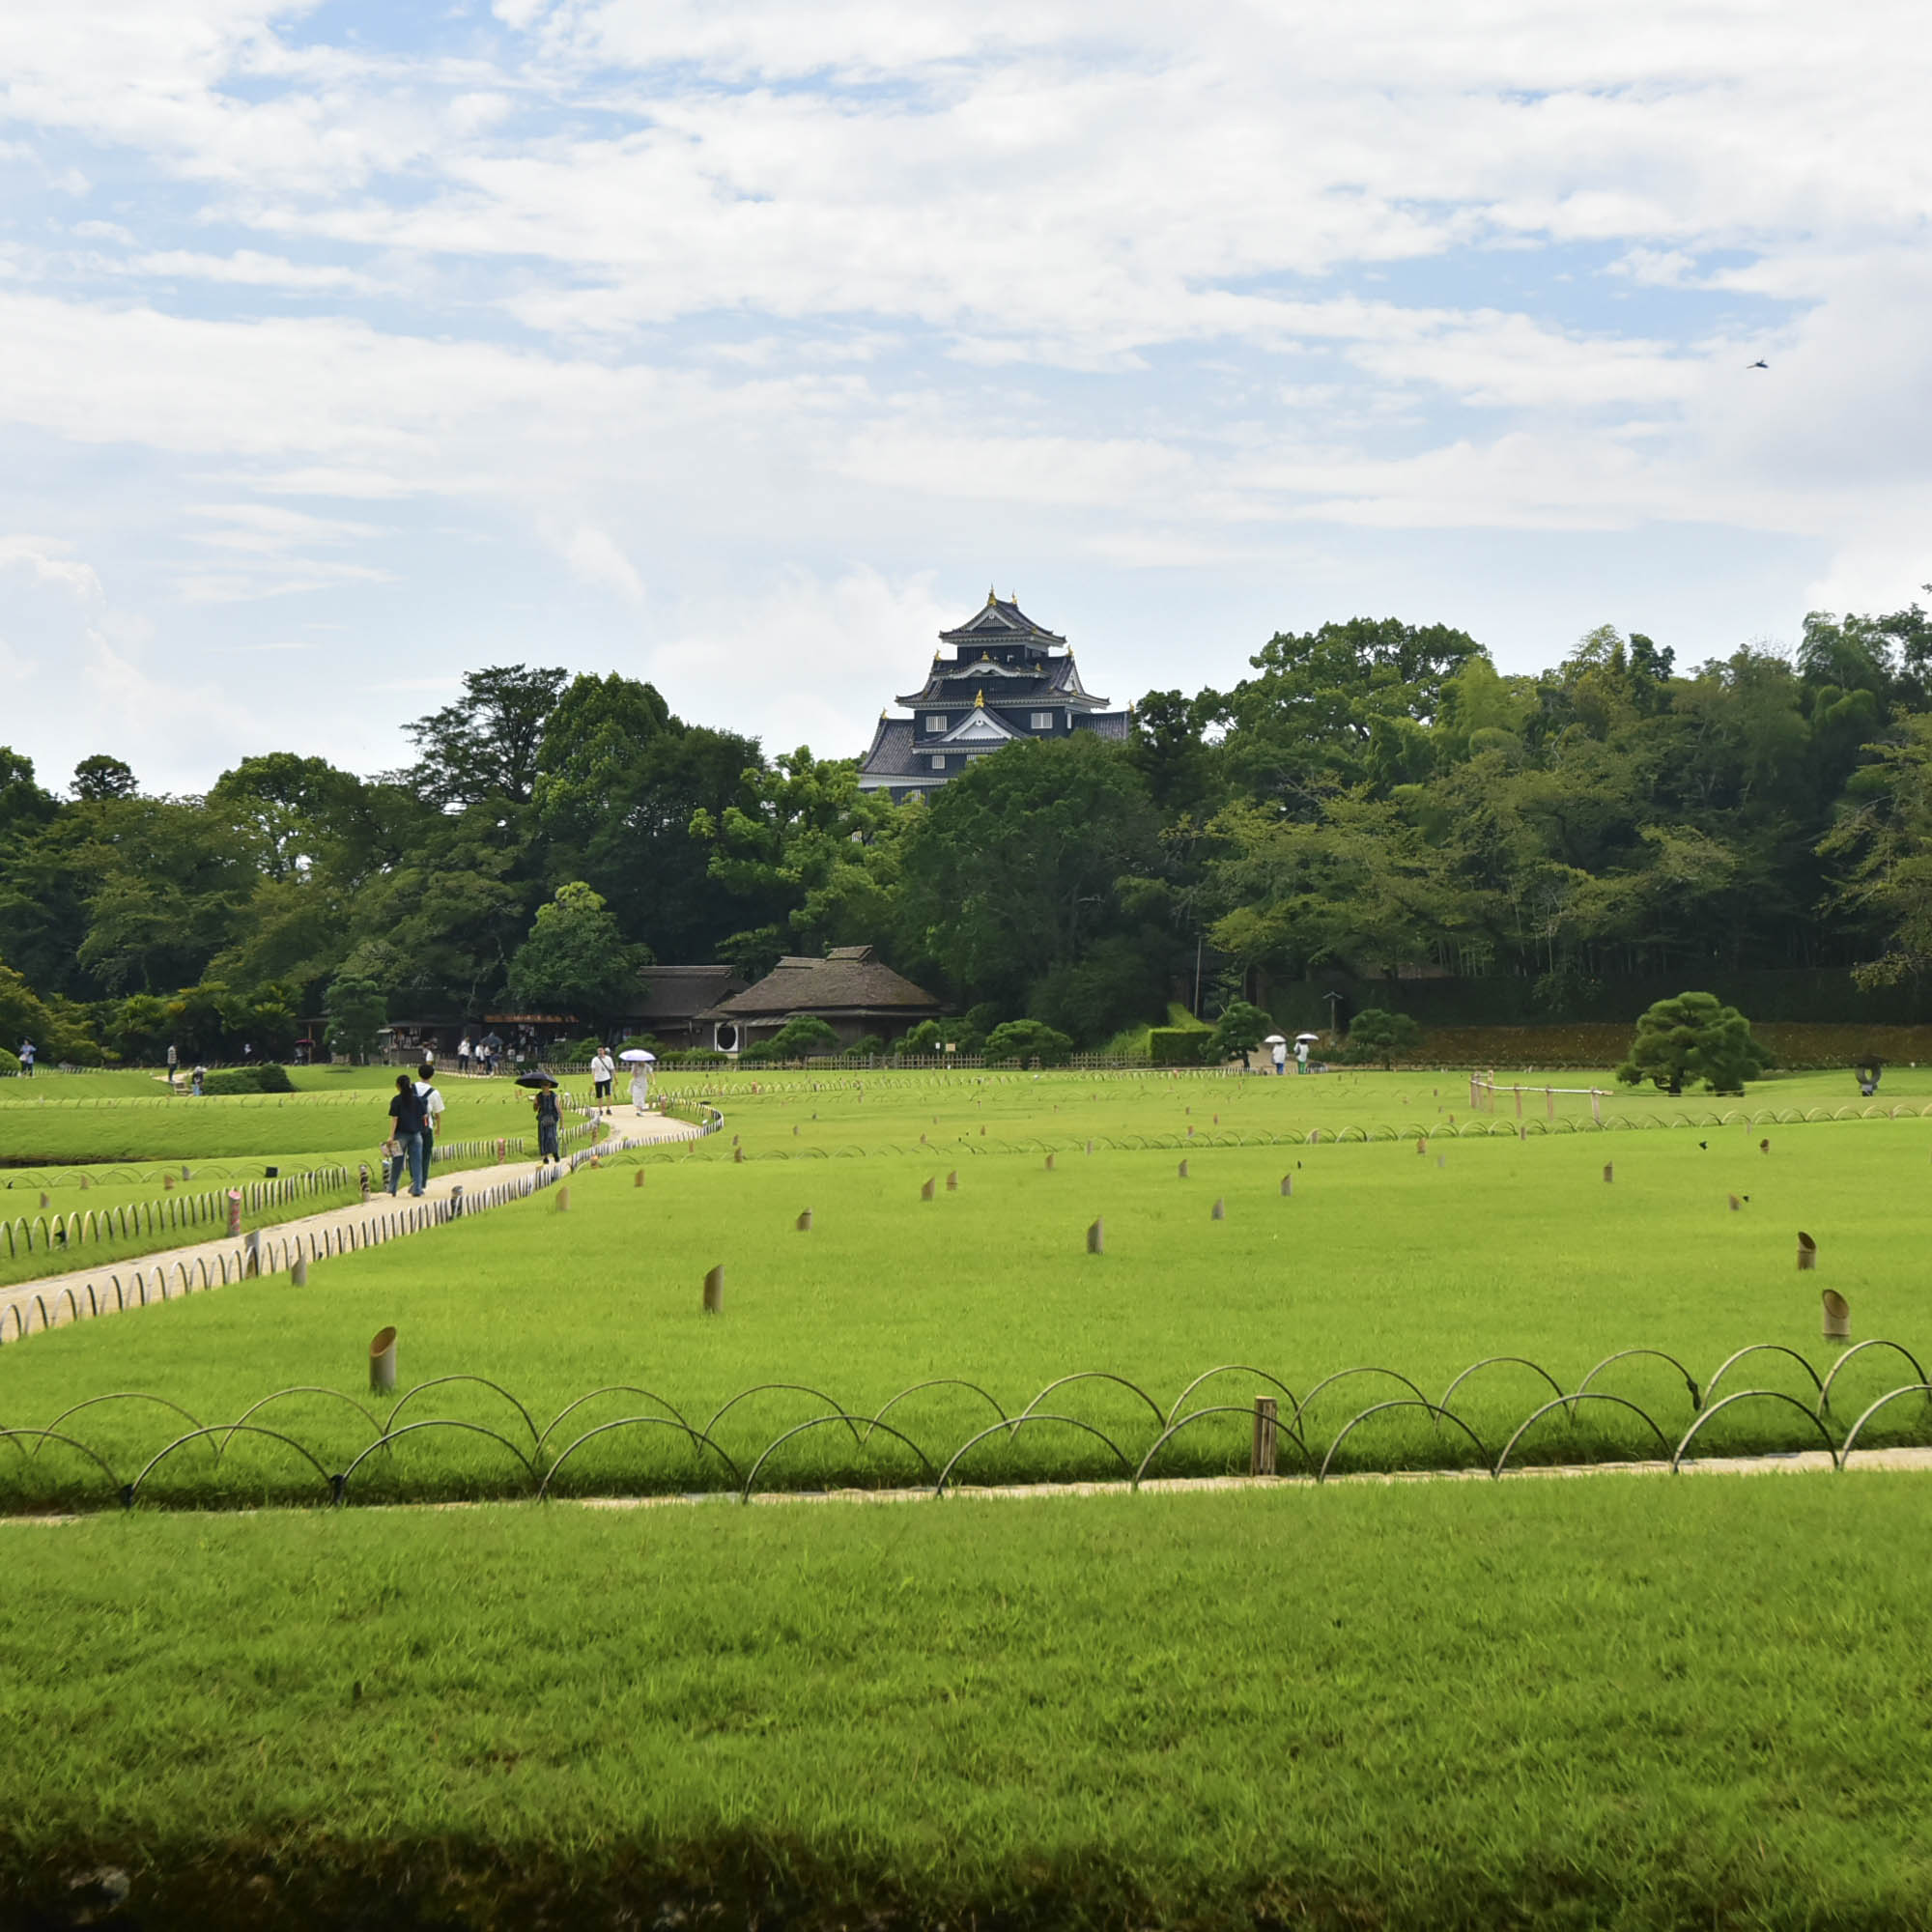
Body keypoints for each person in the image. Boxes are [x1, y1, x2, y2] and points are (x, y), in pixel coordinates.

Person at [386, 1074, 426, 1197]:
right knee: (416, 1162)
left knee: (397, 1162)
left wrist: (391, 1137)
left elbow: (395, 1120)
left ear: (398, 1086)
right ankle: (417, 1189)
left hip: (400, 1136)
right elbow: (424, 1116)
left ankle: (392, 1188)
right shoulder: (418, 1100)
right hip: (416, 1135)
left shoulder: (396, 1100)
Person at [412, 1061, 444, 1193]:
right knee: (425, 1155)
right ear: (431, 1076)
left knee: (413, 1154)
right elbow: (437, 1113)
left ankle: (414, 1180)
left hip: (410, 1126)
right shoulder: (434, 1092)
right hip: (426, 1127)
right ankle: (421, 1183)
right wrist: (438, 1128)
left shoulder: (411, 1088)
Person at [533, 1083, 561, 1162]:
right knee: (543, 1137)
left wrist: (562, 1122)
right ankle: (545, 1157)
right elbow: (535, 1109)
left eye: (545, 1085)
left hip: (551, 1119)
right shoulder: (539, 1096)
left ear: (549, 1086)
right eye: (542, 1085)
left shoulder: (554, 1096)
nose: (544, 1086)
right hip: (542, 1119)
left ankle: (555, 1153)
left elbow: (559, 1109)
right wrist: (535, 1103)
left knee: (551, 1136)